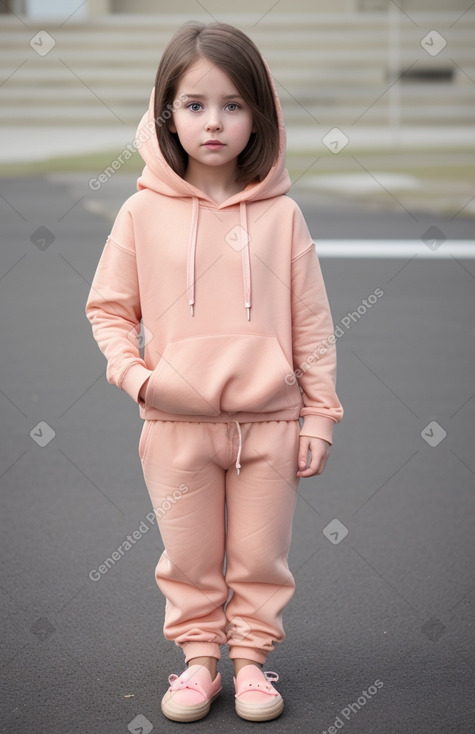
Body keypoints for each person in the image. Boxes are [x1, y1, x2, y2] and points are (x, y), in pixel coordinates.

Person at [85, 21, 343, 724]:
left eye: (232, 104)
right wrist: (138, 379)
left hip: (270, 426)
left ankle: (253, 662)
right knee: (188, 556)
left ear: (259, 112)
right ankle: (199, 663)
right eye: (194, 105)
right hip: (173, 424)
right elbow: (108, 310)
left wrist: (318, 415)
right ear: (165, 114)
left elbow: (312, 328)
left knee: (261, 555)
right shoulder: (140, 211)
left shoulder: (282, 217)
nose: (213, 122)